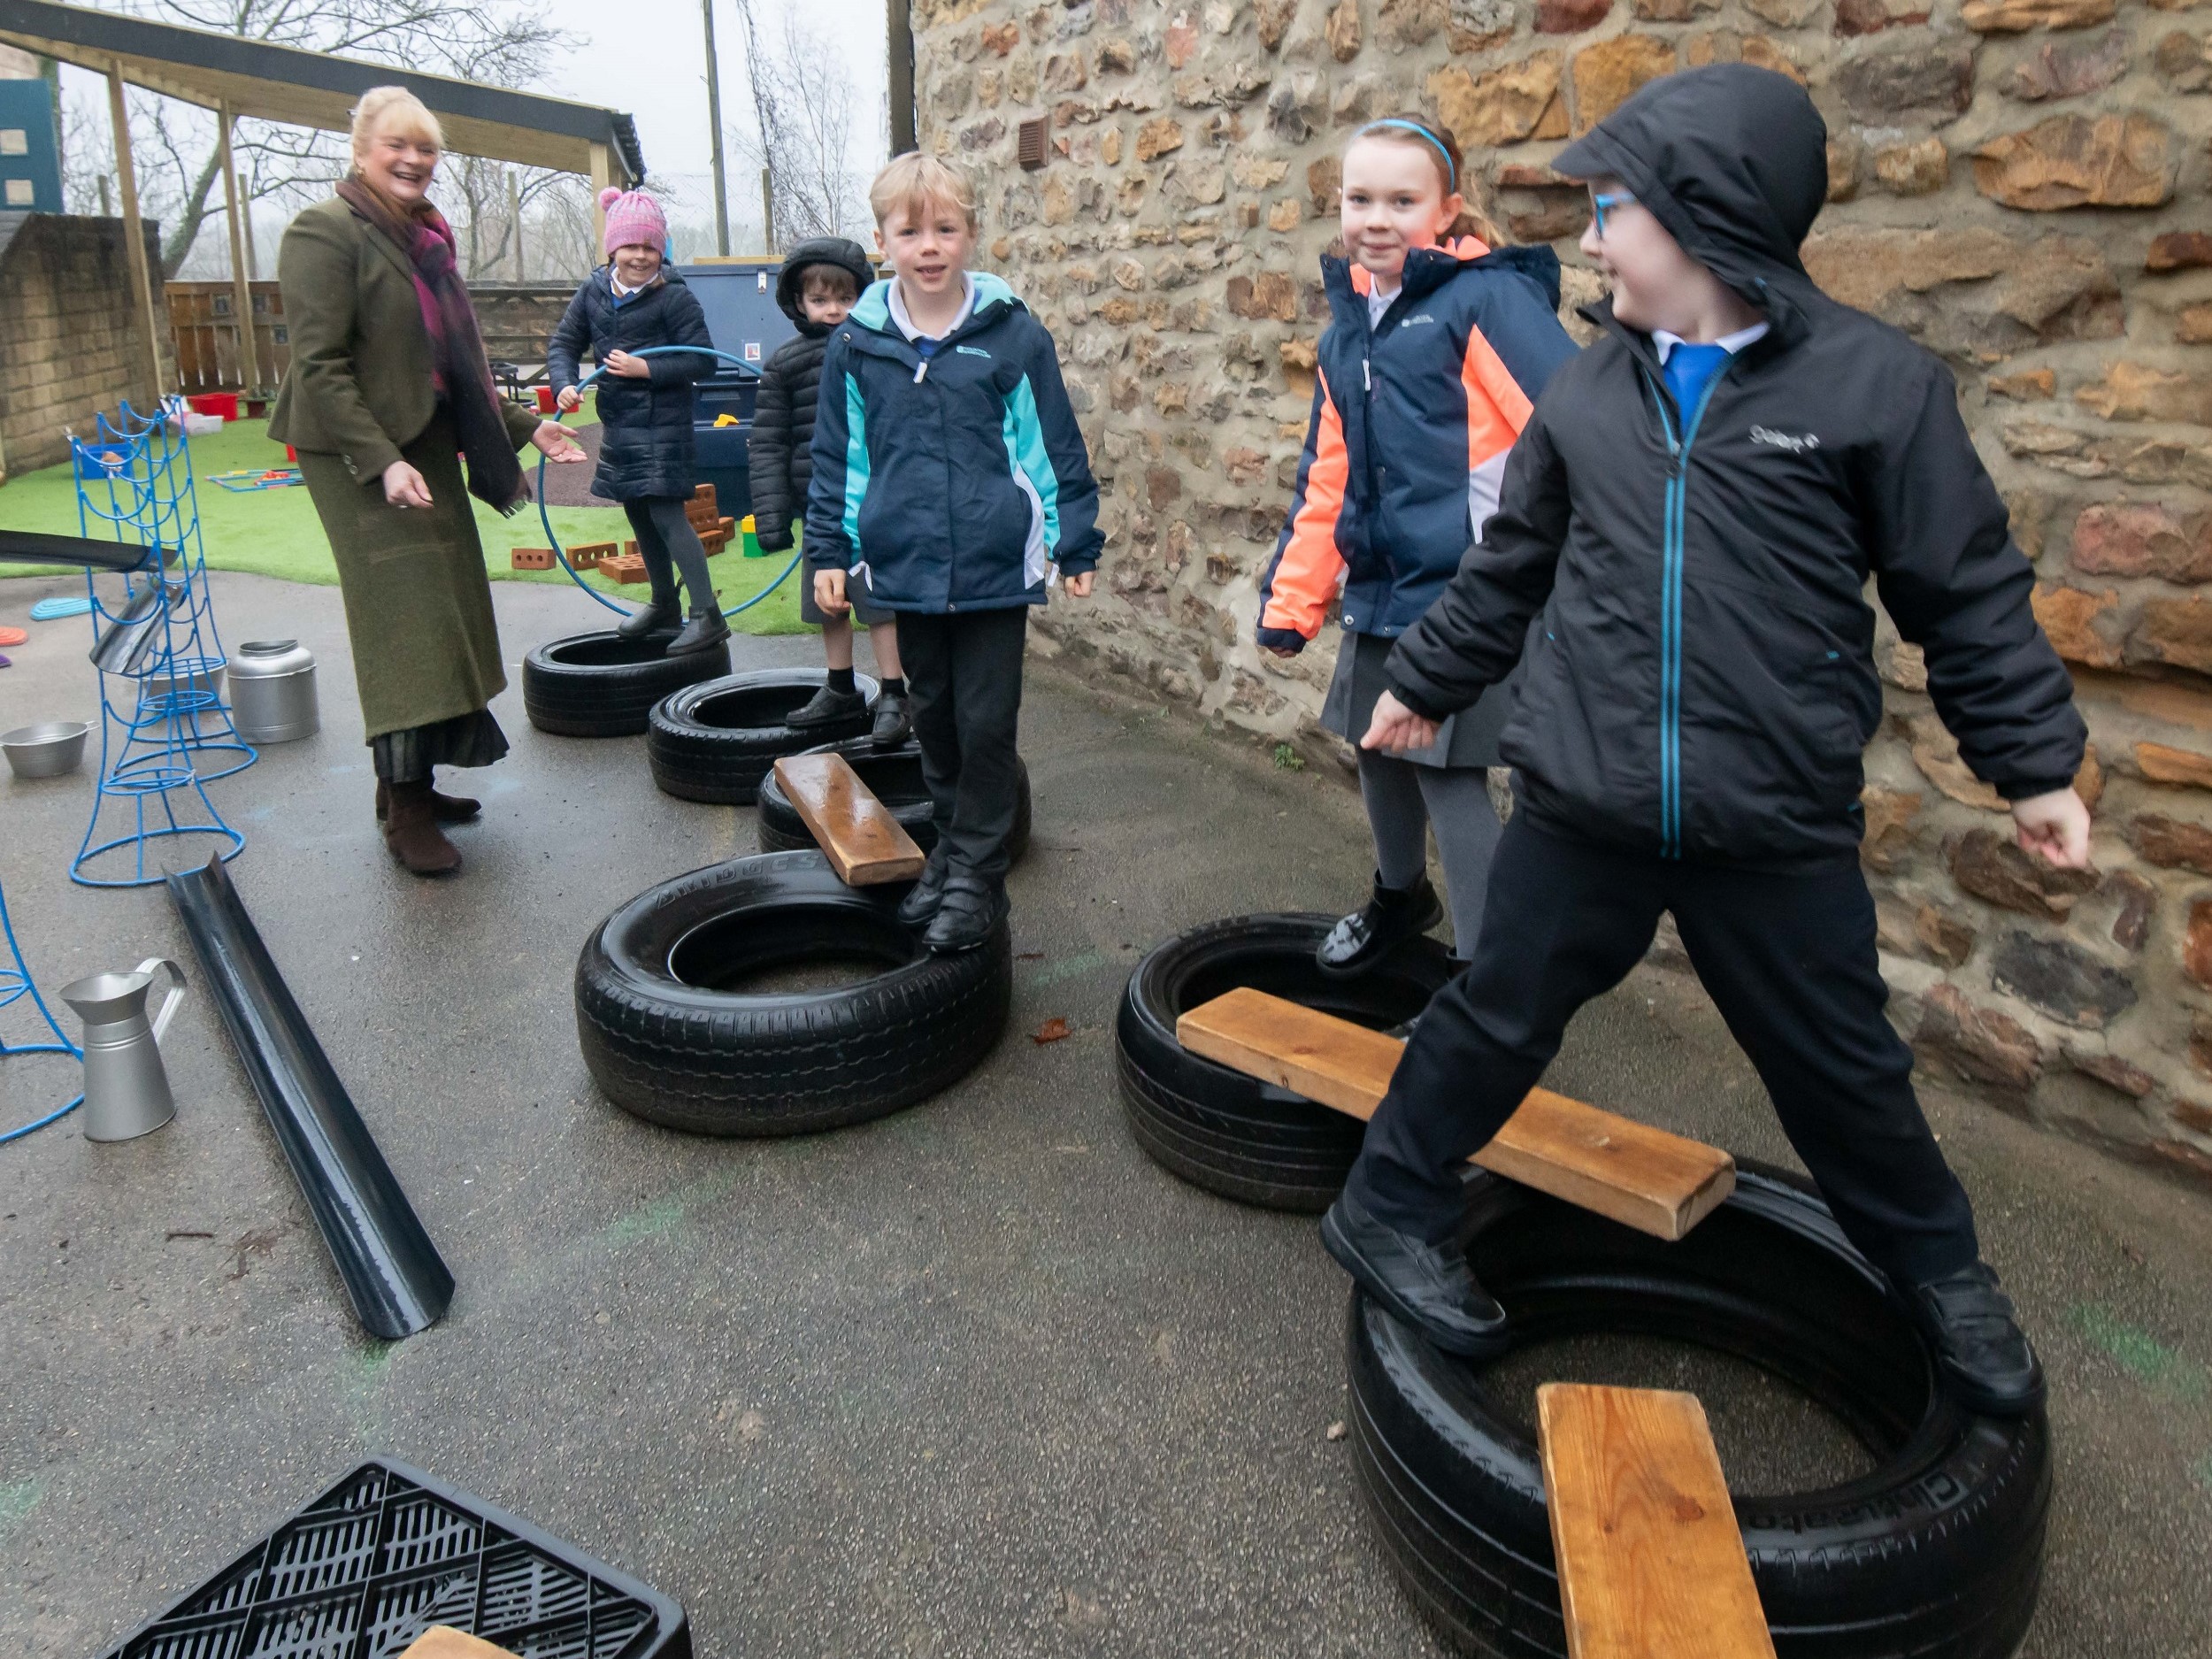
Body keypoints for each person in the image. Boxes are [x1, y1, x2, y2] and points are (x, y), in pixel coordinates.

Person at [1324, 65, 2090, 1419]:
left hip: (1771, 818)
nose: (1594, 235)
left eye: (1613, 208)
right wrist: (1427, 682)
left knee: (1842, 1068)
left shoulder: (1874, 390)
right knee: (1494, 1013)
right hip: (1586, 801)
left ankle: (1944, 1278)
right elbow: (1511, 566)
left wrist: (2030, 763)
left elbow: (1962, 590)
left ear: (1703, 220)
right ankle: (1388, 1205)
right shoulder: (1593, 392)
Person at [1257, 115, 1578, 972]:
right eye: (1359, 198)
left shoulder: (1484, 301)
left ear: (1446, 210)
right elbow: (1328, 479)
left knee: (1445, 776)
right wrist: (1295, 600)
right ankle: (1401, 898)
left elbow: (1573, 429)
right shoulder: (1346, 334)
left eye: (1402, 200)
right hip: (1379, 589)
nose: (1376, 217)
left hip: (1467, 595)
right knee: (1373, 744)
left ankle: (1484, 973)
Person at [271, 86, 585, 877]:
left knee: (448, 602)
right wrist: (381, 460)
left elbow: (450, 369)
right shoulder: (325, 232)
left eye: (427, 149)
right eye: (397, 147)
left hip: (423, 438)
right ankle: (406, 808)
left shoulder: (426, 237)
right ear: (361, 150)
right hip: (353, 451)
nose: (413, 161)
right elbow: (319, 368)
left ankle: (405, 783)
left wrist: (524, 427)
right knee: (404, 615)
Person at [805, 154, 1101, 953]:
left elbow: (1052, 444)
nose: (929, 245)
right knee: (930, 716)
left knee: (986, 720)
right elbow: (840, 456)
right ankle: (951, 845)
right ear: (882, 241)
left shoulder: (1010, 335)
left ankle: (976, 871)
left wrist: (1075, 538)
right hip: (904, 563)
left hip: (994, 567)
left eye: (946, 228)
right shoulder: (858, 346)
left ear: (971, 235)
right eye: (911, 231)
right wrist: (830, 547)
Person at [548, 189, 727, 657]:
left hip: (664, 424)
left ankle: (706, 613)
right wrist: (566, 383)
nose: (641, 256)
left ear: (661, 251)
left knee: (667, 513)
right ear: (613, 249)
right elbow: (564, 343)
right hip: (620, 423)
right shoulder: (593, 292)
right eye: (631, 247)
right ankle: (664, 602)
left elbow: (703, 361)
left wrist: (647, 369)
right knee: (636, 509)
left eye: (651, 247)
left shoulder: (675, 298)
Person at [749, 237, 910, 745]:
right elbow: (769, 442)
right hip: (820, 507)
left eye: (845, 298)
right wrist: (772, 513)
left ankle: (894, 692)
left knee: (880, 601)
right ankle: (840, 687)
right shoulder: (785, 363)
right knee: (829, 602)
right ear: (799, 303)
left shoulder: (881, 351)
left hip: (876, 505)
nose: (834, 310)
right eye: (821, 300)